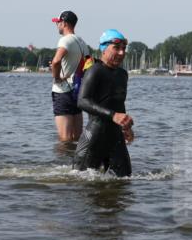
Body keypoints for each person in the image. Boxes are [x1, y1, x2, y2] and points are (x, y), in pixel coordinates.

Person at [74, 29, 133, 177]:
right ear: (104, 49)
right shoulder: (95, 71)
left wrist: (125, 126)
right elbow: (82, 101)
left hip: (115, 136)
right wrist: (113, 115)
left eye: (124, 49)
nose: (121, 53)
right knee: (80, 182)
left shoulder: (122, 74)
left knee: (124, 179)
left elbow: (119, 103)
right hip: (94, 136)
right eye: (117, 48)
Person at [49, 11, 91, 142]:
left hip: (63, 92)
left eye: (58, 23)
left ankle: (62, 162)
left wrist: (56, 78)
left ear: (64, 23)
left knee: (64, 138)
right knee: (76, 138)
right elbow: (87, 64)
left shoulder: (65, 40)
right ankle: (76, 162)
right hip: (77, 92)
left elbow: (56, 61)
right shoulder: (82, 42)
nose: (57, 26)